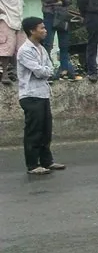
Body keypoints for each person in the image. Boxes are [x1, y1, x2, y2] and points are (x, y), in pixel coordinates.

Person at [16, 17, 65, 175]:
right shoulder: (25, 51)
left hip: (43, 94)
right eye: (41, 28)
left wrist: (46, 71)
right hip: (30, 95)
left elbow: (49, 68)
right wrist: (46, 71)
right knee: (34, 130)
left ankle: (46, 161)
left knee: (46, 130)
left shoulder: (42, 49)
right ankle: (32, 164)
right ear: (32, 31)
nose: (45, 31)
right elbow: (39, 71)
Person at [39, 0, 78, 80]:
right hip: (49, 16)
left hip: (62, 16)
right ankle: (48, 71)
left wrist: (55, 0)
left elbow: (69, 0)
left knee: (64, 45)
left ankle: (65, 70)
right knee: (47, 44)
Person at [0, 0, 26, 86]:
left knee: (20, 50)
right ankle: (4, 74)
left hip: (18, 21)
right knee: (6, 49)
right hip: (7, 21)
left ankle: (17, 73)